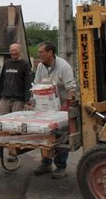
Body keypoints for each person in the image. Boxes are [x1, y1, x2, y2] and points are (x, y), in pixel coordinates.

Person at [32, 42, 76, 179]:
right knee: (44, 135)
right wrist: (32, 101)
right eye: (39, 52)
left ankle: (61, 167)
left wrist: (66, 108)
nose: (39, 55)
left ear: (50, 52)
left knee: (60, 137)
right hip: (44, 107)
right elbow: (37, 84)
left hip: (61, 106)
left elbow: (72, 89)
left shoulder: (64, 67)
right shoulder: (40, 66)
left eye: (41, 52)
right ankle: (46, 163)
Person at [0, 43, 32, 159]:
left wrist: (27, 100)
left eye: (15, 50)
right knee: (1, 125)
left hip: (18, 100)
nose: (13, 52)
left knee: (15, 127)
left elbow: (27, 84)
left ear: (20, 51)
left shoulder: (25, 65)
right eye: (12, 50)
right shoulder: (6, 64)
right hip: (5, 98)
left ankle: (13, 153)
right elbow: (1, 81)